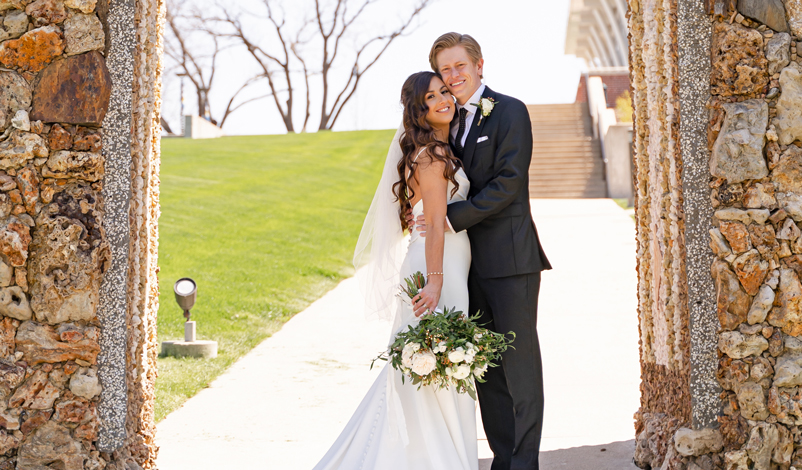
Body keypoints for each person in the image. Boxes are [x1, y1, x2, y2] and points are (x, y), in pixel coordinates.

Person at [312, 71, 478, 470]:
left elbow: (418, 214)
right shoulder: (432, 155)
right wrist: (435, 283)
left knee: (434, 364)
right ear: (419, 110)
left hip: (441, 265)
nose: (442, 99)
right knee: (434, 364)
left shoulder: (431, 151)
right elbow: (433, 222)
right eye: (430, 97)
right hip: (436, 270)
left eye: (444, 91)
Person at [412, 33, 551, 470]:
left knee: (520, 368)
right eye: (445, 69)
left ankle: (524, 464)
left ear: (479, 65)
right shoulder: (445, 122)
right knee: (486, 371)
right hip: (467, 266)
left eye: (460, 65)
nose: (453, 76)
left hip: (511, 261)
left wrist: (449, 218)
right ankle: (502, 460)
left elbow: (509, 183)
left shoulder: (509, 110)